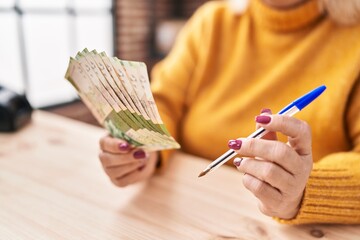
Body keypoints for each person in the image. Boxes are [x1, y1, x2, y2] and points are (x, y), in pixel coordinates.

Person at [98, 0, 360, 224]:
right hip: (181, 212)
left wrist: (306, 190)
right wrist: (147, 145)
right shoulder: (211, 22)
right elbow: (164, 100)